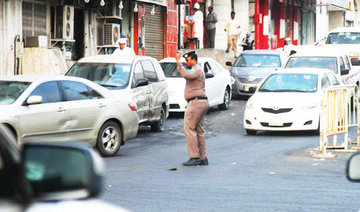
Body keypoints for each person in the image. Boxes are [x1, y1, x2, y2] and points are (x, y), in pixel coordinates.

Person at [175, 51, 209, 166]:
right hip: (200, 102)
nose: (186, 62)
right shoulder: (195, 69)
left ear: (194, 60)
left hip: (196, 102)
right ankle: (203, 157)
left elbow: (187, 75)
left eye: (188, 60)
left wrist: (178, 62)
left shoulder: (196, 69)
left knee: (189, 128)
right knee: (199, 130)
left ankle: (194, 157)